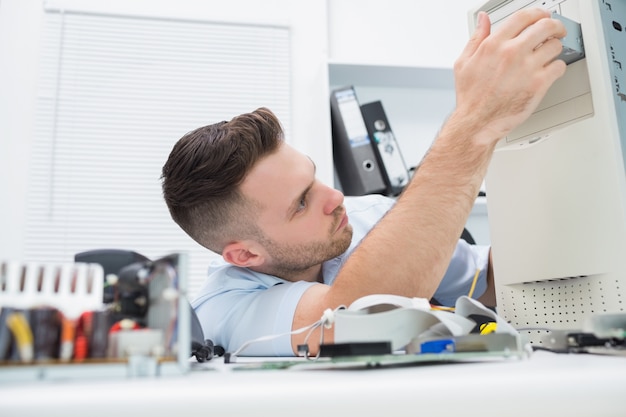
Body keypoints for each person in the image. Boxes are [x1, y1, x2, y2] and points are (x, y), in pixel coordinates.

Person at [161, 8, 567, 356]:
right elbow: (354, 318)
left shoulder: (367, 216)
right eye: (301, 203)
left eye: (314, 176)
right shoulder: (222, 309)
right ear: (244, 256)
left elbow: (488, 282)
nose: (335, 196)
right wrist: (476, 123)